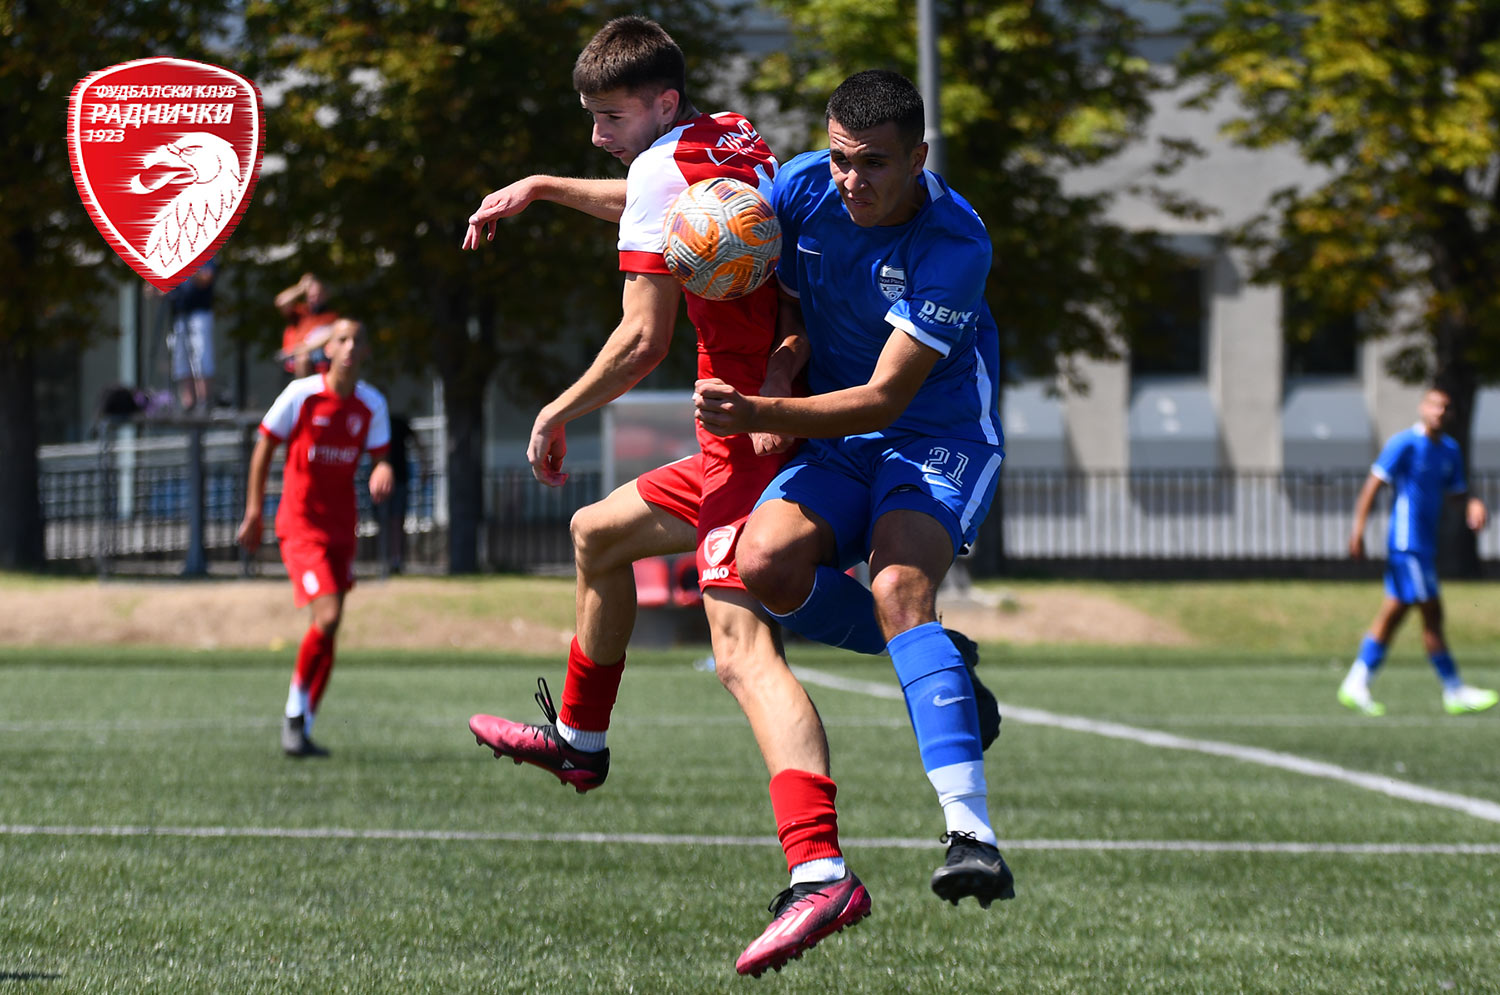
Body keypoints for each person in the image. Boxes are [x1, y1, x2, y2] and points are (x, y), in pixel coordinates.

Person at [460, 17, 871, 977]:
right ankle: (580, 739)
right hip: (753, 423)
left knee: (742, 655)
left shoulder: (662, 169)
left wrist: (555, 412)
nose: (598, 135)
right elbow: (657, 199)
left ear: (660, 104)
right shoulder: (728, 136)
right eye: (591, 119)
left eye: (611, 118)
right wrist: (548, 188)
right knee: (597, 536)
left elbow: (642, 341)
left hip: (744, 438)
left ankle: (822, 872)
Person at [694, 69, 1014, 910]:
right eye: (840, 158)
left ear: (918, 157)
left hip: (934, 435)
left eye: (873, 163)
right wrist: (781, 354)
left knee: (900, 587)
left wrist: (759, 407)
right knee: (762, 566)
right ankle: (942, 663)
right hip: (836, 438)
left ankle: (971, 835)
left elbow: (884, 397)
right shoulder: (802, 188)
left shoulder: (955, 242)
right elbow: (661, 209)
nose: (851, 180)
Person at [237, 318, 393, 757]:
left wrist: (384, 468)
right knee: (325, 617)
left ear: (364, 352)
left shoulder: (370, 404)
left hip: (342, 527)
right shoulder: (301, 394)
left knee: (331, 626)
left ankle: (303, 725)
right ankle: (293, 715)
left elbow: (383, 457)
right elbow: (264, 444)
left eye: (356, 340)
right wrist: (254, 510)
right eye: (340, 339)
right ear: (329, 350)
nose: (348, 346)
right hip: (300, 525)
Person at [1338, 387, 1496, 717]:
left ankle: (1356, 680)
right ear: (1423, 408)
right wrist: (1358, 530)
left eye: (1445, 408)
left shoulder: (1450, 451)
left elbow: (1456, 494)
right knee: (1432, 614)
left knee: (1393, 614)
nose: (1439, 412)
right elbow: (1373, 484)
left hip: (1425, 545)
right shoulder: (1404, 443)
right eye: (1434, 405)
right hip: (1406, 545)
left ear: (1450, 414)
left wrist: (1472, 503)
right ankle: (1454, 689)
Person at [167, 258, 217, 411]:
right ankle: (187, 404)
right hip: (179, 314)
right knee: (180, 359)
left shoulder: (205, 254)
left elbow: (206, 278)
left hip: (200, 313)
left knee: (202, 356)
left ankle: (204, 402)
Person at [379, 413, 425, 575]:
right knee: (383, 522)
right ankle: (384, 560)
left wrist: (423, 466)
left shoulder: (398, 422)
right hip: (378, 482)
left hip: (399, 480)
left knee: (397, 521)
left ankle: (397, 560)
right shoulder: (373, 423)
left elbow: (418, 443)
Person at [274, 273, 339, 378]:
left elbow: (327, 337)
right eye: (312, 296)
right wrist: (301, 287)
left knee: (303, 358)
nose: (315, 299)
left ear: (326, 295)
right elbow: (280, 302)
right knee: (302, 358)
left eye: (319, 295)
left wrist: (299, 350)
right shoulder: (300, 311)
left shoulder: (331, 317)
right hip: (292, 358)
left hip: (318, 355)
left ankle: (304, 392)